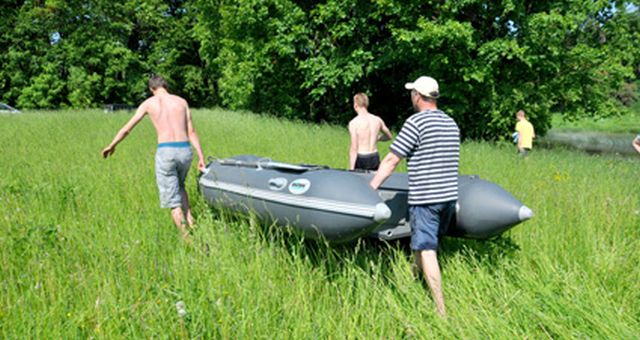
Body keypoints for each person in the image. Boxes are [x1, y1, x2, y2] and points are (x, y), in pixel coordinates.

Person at [370, 76, 460, 316]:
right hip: (449, 196)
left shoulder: (416, 123)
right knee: (421, 243)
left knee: (427, 248)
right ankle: (413, 278)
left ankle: (440, 309)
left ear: (418, 96)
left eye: (412, 93)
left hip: (426, 198)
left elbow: (391, 159)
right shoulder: (451, 123)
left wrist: (371, 189)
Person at [101, 75, 205, 241]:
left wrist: (112, 144)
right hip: (185, 150)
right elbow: (191, 131)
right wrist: (201, 156)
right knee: (181, 186)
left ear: (151, 89)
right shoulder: (181, 102)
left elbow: (128, 128)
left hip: (166, 151)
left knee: (173, 201)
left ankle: (188, 240)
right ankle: (192, 224)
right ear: (166, 86)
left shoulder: (149, 103)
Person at [348, 93, 393, 171]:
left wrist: (351, 168)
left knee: (359, 182)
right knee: (374, 182)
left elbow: (354, 148)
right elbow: (389, 136)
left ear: (355, 105)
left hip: (362, 157)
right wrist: (377, 138)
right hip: (374, 156)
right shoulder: (377, 120)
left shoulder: (354, 123)